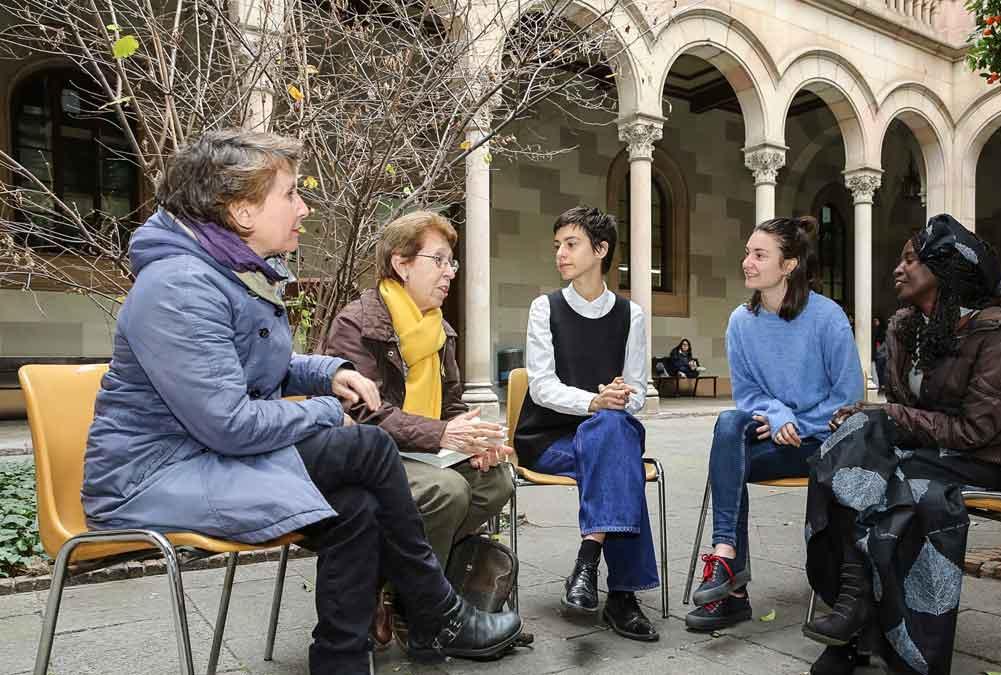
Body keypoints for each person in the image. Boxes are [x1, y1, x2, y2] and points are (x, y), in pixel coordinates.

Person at [81, 130, 522, 675]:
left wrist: (328, 372)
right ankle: (435, 608)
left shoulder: (225, 273)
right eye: (290, 194)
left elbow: (261, 364)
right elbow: (230, 423)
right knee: (365, 447)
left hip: (203, 455)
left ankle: (345, 659)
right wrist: (327, 410)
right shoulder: (180, 287)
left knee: (356, 506)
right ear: (242, 210)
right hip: (155, 473)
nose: (304, 207)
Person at [804, 214, 1001, 675]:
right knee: (843, 464)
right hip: (925, 453)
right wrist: (877, 419)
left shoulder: (996, 336)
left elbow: (975, 431)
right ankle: (855, 612)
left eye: (911, 259)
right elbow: (904, 411)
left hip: (976, 460)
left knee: (888, 480)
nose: (898, 268)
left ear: (944, 269)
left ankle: (861, 623)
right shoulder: (909, 329)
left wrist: (890, 418)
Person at [322, 211, 515, 647]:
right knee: (447, 491)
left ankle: (403, 592)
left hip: (422, 451)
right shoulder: (357, 324)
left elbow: (451, 405)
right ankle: (423, 605)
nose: (450, 273)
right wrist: (442, 435)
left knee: (495, 479)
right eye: (440, 260)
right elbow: (364, 414)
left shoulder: (438, 329)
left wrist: (473, 438)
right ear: (401, 263)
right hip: (368, 457)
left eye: (452, 263)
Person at [685, 216, 862, 632]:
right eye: (747, 252)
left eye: (759, 254)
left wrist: (797, 420)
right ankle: (727, 560)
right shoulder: (740, 323)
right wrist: (778, 413)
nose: (747, 261)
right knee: (729, 424)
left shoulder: (827, 317)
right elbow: (747, 396)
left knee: (729, 457)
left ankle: (730, 590)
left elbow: (850, 398)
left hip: (821, 445)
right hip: (776, 438)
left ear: (789, 265)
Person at [513, 206, 660, 642]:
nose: (560, 253)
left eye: (571, 244)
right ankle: (622, 596)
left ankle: (587, 559)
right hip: (548, 439)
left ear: (600, 250)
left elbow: (635, 392)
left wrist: (619, 398)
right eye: (558, 245)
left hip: (606, 434)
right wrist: (595, 401)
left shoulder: (630, 315)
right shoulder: (546, 308)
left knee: (612, 431)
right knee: (618, 455)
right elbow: (540, 387)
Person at [871, 316, 888, 390]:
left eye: (876, 321)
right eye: (874, 321)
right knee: (880, 370)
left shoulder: (881, 331)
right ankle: (882, 384)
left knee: (881, 370)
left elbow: (881, 343)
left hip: (881, 355)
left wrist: (878, 350)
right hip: (880, 355)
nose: (875, 323)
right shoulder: (876, 330)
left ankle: (882, 384)